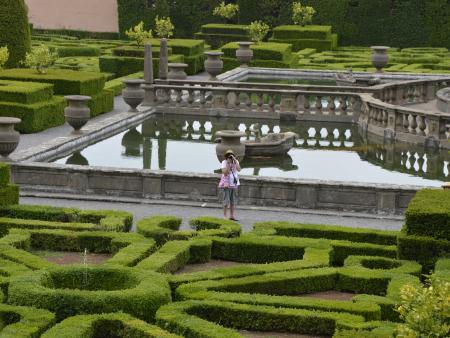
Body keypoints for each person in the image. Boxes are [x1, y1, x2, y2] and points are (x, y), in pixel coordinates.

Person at [218, 149, 241, 221]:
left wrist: (235, 160)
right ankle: (225, 216)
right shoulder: (224, 162)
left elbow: (239, 169)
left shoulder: (235, 161)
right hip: (226, 184)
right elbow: (225, 173)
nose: (230, 157)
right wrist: (228, 163)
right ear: (226, 157)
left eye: (231, 155)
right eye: (228, 156)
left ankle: (232, 216)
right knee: (226, 200)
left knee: (233, 201)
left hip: (234, 184)